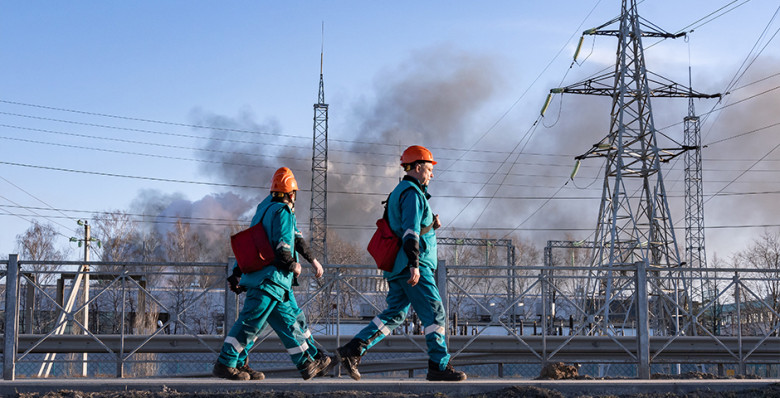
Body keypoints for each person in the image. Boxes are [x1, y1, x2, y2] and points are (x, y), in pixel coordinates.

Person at [336, 145, 467, 382]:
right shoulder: (413, 194)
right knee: (435, 313)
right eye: (429, 169)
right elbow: (410, 233)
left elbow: (409, 228)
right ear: (417, 168)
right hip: (412, 267)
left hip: (398, 266)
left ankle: (353, 349)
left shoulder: (401, 191)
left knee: (395, 314)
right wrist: (415, 265)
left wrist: (431, 227)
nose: (432, 174)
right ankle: (438, 365)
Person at [213, 167, 332, 381]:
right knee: (251, 323)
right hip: (270, 280)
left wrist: (238, 272)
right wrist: (294, 265)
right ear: (292, 193)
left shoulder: (263, 208)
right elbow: (284, 248)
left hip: (271, 281)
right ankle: (226, 362)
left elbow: (253, 242)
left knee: (292, 321)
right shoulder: (283, 212)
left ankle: (309, 360)